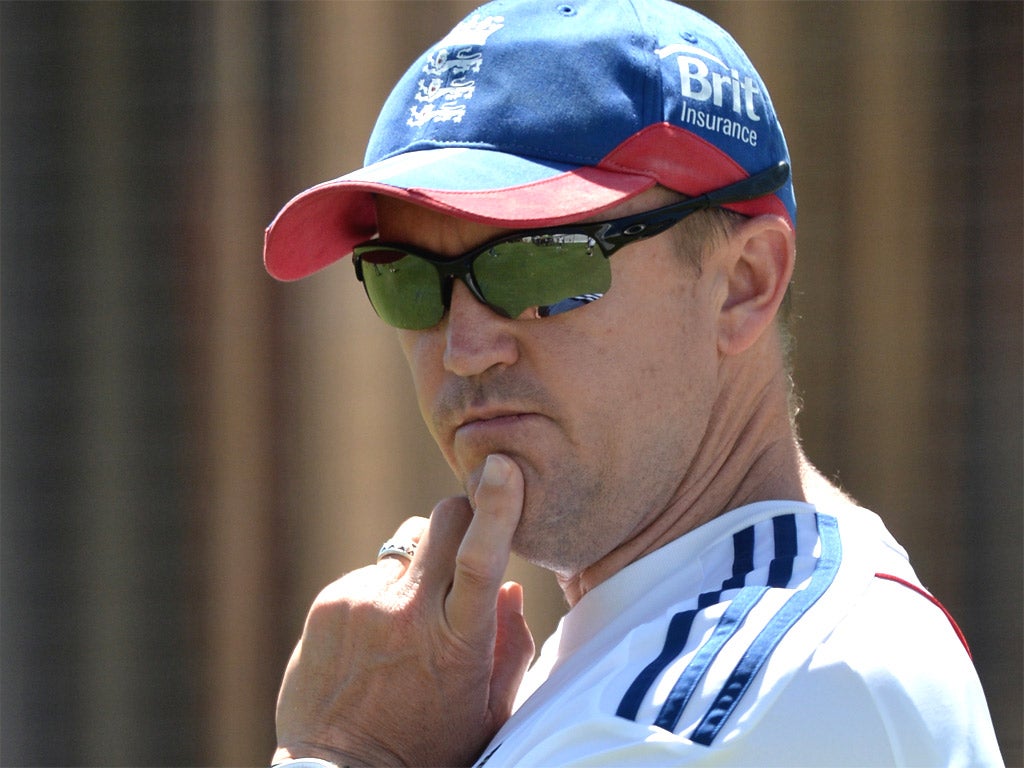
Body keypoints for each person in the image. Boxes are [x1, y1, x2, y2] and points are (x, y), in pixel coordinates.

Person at [262, 1, 1003, 765]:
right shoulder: (663, 650)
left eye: (541, 262)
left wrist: (343, 749)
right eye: (407, 279)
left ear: (743, 284)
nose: (464, 348)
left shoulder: (727, 706)